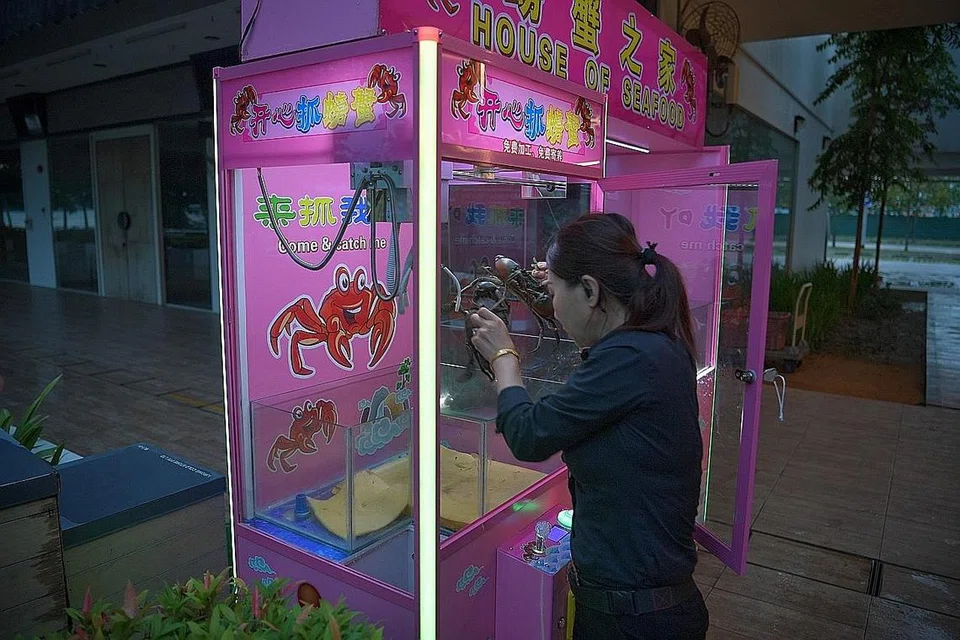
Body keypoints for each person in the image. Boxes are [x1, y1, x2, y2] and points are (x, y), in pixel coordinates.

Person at [468, 212, 708, 640]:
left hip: (635, 623)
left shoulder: (630, 359)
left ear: (591, 290)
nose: (554, 308)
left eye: (554, 293)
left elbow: (528, 435)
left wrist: (503, 357)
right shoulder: (655, 345)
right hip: (641, 607)